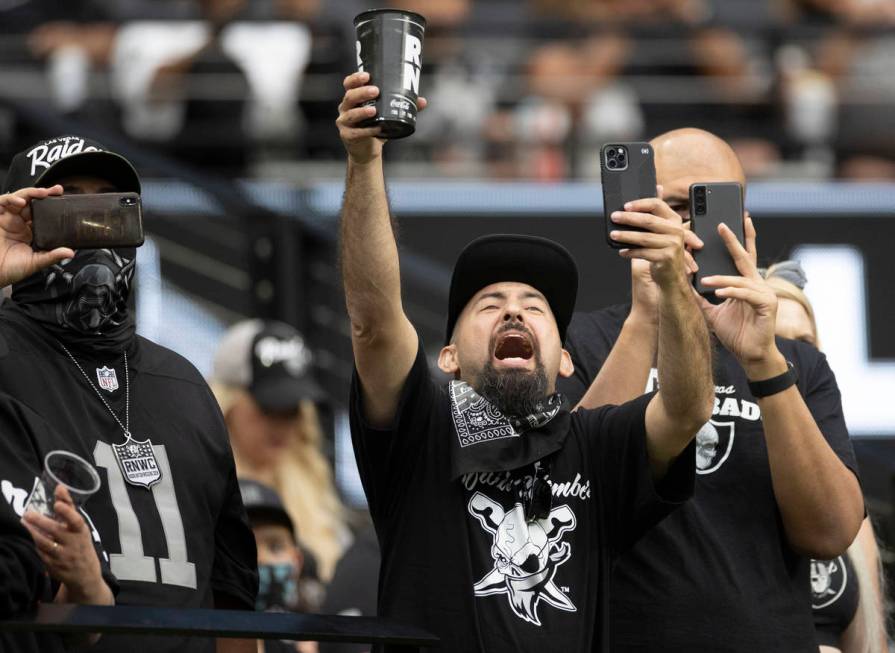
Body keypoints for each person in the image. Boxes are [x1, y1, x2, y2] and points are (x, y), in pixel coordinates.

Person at [337, 71, 714, 651]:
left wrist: (672, 288)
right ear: (447, 358)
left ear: (565, 359)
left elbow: (687, 408)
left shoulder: (594, 445)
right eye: (489, 304)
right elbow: (374, 317)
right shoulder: (420, 430)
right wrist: (365, 162)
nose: (513, 312)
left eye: (535, 307)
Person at [558, 128, 865, 651]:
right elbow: (570, 502)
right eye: (672, 207)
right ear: (633, 218)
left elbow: (830, 534)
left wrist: (763, 361)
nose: (687, 231)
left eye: (706, 207)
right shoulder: (581, 342)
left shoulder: (798, 362)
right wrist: (649, 316)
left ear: (743, 225)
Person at [0, 135, 258, 653]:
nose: (89, 224)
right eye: (64, 202)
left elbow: (231, 596)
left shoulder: (184, 383)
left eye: (106, 203)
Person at [763, 261, 889, 653]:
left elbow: (870, 644)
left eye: (804, 343)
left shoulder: (844, 496)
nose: (791, 359)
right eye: (774, 341)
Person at [211, 319, 349, 582]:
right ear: (227, 403)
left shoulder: (312, 485)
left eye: (292, 408)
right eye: (269, 407)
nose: (282, 423)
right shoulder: (204, 483)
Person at [239, 479, 318, 653]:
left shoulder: (310, 635)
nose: (261, 559)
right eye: (243, 546)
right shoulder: (202, 636)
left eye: (275, 547)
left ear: (297, 561)